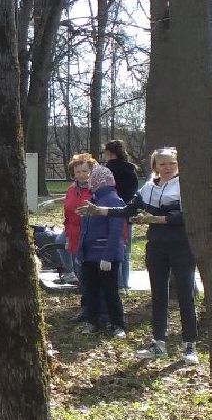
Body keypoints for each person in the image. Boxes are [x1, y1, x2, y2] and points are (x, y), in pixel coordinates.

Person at [80, 146, 198, 364]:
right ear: (155, 166)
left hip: (182, 246)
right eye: (163, 164)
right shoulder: (148, 188)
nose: (168, 167)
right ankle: (158, 343)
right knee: (158, 295)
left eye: (172, 163)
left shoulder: (185, 186)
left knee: (185, 295)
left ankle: (189, 345)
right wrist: (99, 211)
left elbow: (187, 216)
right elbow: (128, 210)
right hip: (156, 247)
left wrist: (157, 220)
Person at [76, 165, 127, 337]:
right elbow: (85, 229)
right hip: (89, 254)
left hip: (105, 255)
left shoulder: (113, 200)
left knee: (110, 291)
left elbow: (116, 231)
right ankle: (93, 322)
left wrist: (108, 256)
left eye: (92, 179)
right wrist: (81, 252)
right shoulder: (94, 198)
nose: (90, 182)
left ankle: (117, 324)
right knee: (91, 290)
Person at [102, 140, 140, 289]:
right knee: (125, 249)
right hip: (127, 212)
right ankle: (125, 282)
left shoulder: (107, 171)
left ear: (109, 153)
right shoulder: (131, 170)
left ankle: (117, 283)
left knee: (114, 247)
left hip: (111, 211)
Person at [59, 153, 96, 297]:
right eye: (78, 172)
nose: (81, 175)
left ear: (91, 171)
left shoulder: (97, 189)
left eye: (85, 171)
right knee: (78, 267)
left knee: (88, 269)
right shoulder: (71, 189)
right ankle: (83, 295)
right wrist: (68, 235)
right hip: (73, 232)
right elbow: (68, 214)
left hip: (90, 233)